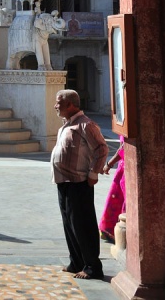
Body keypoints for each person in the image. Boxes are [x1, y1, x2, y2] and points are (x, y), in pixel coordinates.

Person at [51, 89, 108, 280]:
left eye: (59, 102)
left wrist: (93, 173)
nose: (55, 106)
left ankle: (92, 266)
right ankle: (76, 261)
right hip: (64, 182)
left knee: (83, 225)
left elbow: (101, 148)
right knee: (70, 224)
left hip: (79, 183)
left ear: (70, 104)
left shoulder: (86, 125)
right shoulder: (66, 125)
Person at [99, 136, 125, 243]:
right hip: (123, 167)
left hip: (125, 167)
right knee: (116, 198)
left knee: (121, 200)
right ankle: (109, 230)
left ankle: (117, 233)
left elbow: (123, 148)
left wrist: (109, 164)